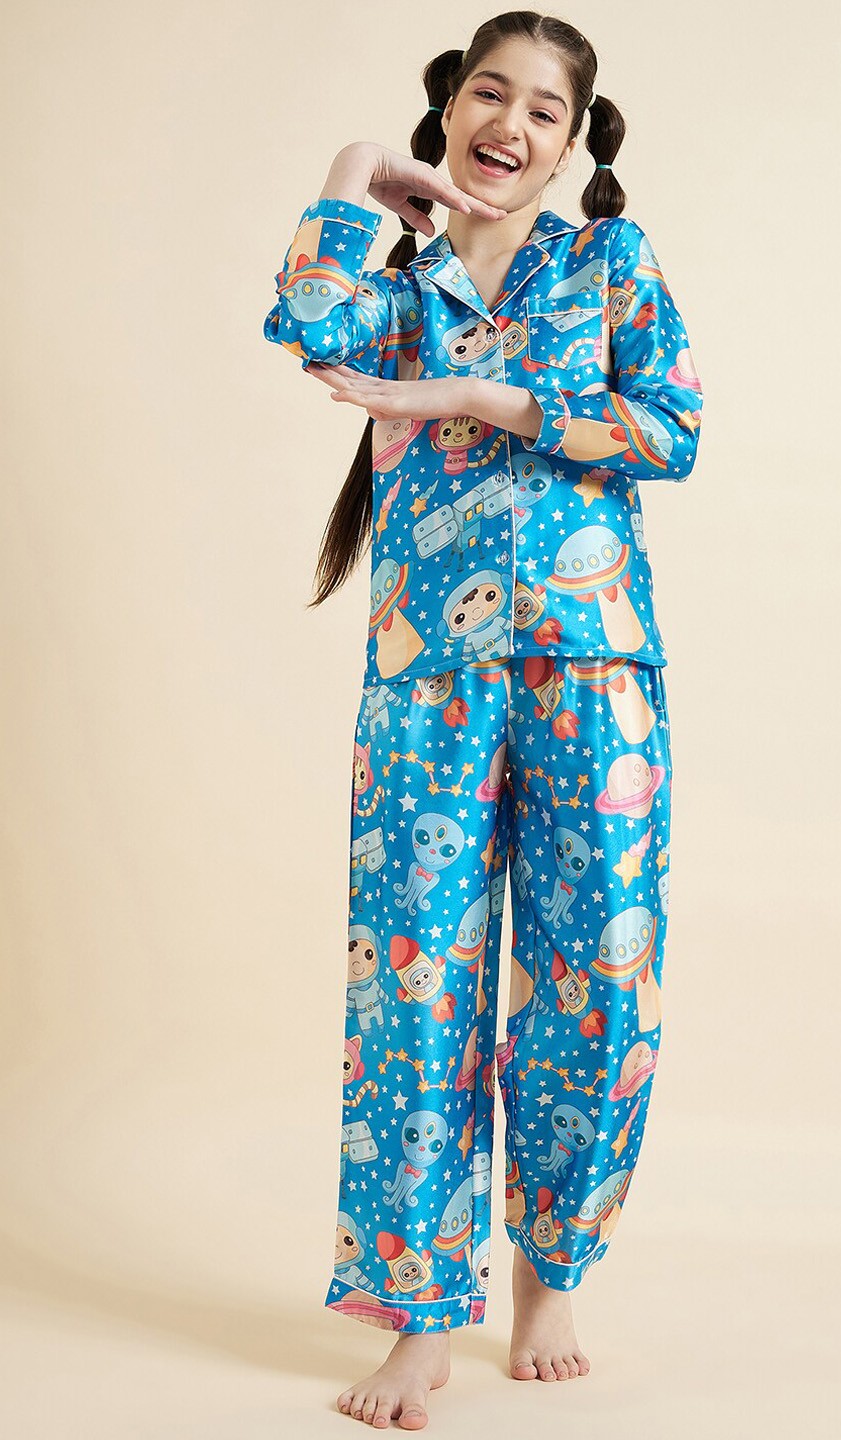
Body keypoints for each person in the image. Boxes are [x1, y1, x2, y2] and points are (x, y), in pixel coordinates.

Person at [263, 9, 703, 1429]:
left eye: (545, 110)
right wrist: (353, 173)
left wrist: (481, 396)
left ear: (574, 142)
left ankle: (551, 1278)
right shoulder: (400, 286)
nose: (511, 124)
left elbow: (673, 429)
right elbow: (302, 324)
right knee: (414, 994)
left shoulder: (609, 263)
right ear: (449, 109)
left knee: (598, 978)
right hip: (429, 685)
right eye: (487, 94)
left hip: (594, 675)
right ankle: (418, 1319)